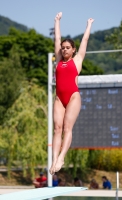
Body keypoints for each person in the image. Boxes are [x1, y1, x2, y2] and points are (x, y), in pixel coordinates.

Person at [49, 12, 94, 175]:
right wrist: (57, 21)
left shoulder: (77, 60)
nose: (64, 50)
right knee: (57, 129)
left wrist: (88, 25)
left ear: (73, 50)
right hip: (59, 98)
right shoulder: (59, 60)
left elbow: (85, 41)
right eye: (63, 48)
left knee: (67, 128)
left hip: (73, 96)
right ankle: (54, 160)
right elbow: (57, 38)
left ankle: (62, 157)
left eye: (68, 48)